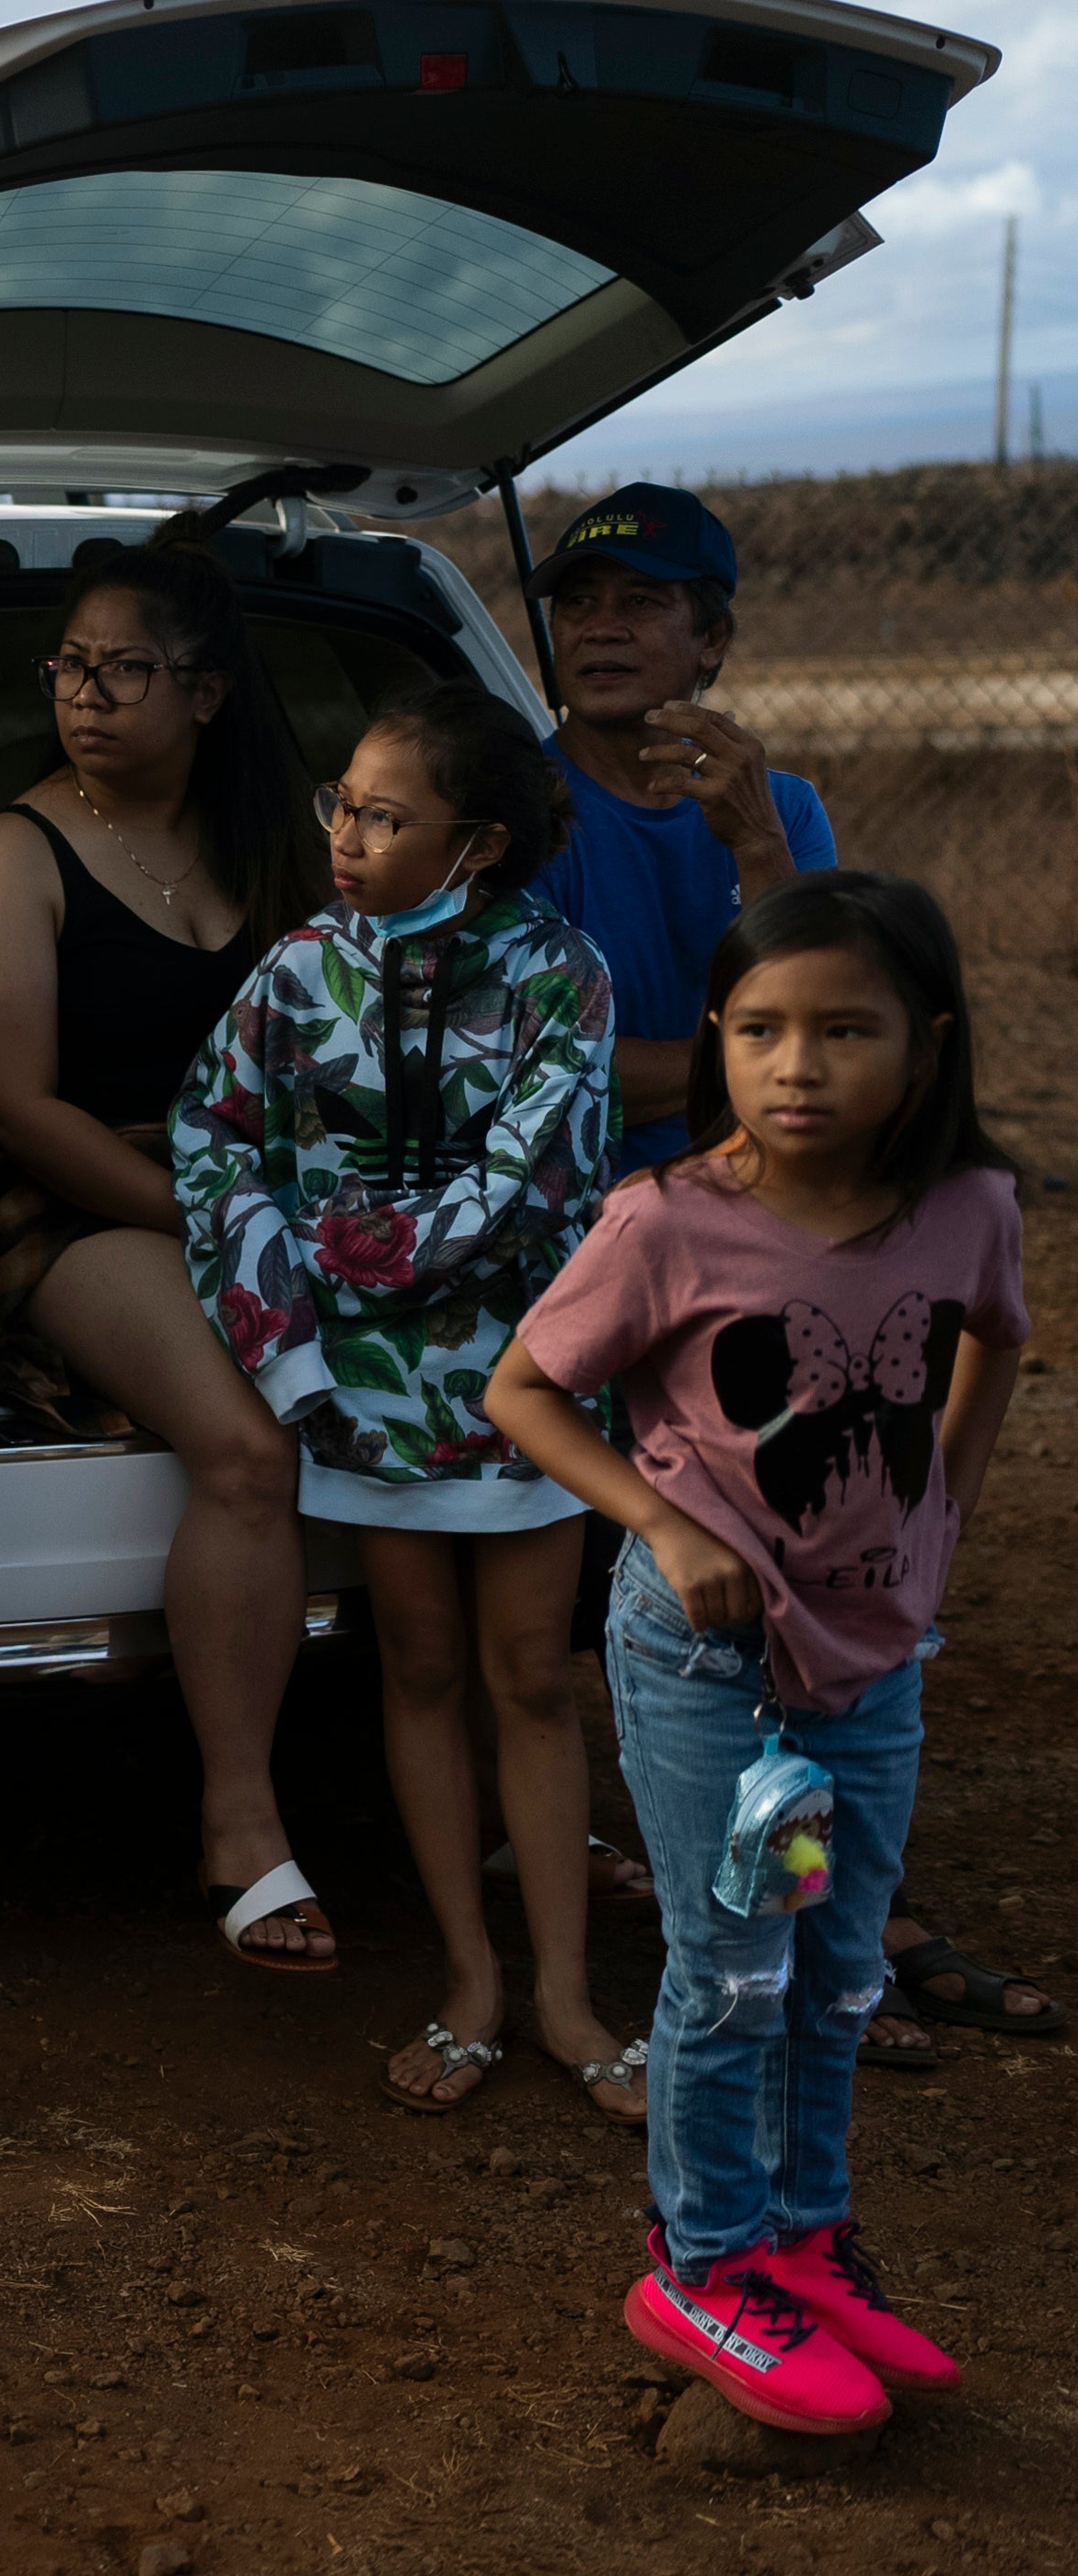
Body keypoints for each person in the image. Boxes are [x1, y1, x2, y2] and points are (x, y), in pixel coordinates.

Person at [489, 872, 1026, 2434]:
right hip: (714, 1673)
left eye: (841, 1030)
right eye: (759, 1028)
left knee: (836, 1966)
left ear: (921, 1048)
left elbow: (993, 1333)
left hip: (867, 1667)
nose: (795, 1065)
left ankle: (798, 2237)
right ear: (716, 1038)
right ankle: (701, 2258)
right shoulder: (665, 1223)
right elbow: (520, 1390)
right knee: (733, 1967)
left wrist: (946, 1517)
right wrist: (660, 1526)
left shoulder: (964, 1206)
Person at [523, 483, 1053, 2062]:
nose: (601, 628)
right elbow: (554, 1062)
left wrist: (753, 844)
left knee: (824, 1573)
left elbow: (827, 991)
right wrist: (748, 1081)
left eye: (644, 603)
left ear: (715, 637)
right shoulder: (526, 814)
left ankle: (838, 1916)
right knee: (686, 1606)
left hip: (790, 1253)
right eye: (577, 604)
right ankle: (728, 1928)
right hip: (615, 1244)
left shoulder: (785, 810)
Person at [173, 682, 637, 2120]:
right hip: (357, 1391)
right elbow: (212, 1138)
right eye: (342, 805)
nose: (347, 836)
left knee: (528, 1679)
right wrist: (292, 1345)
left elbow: (532, 1176)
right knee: (418, 1667)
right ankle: (468, 1977)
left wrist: (341, 1241)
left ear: (476, 843)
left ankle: (562, 1988)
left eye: (384, 816)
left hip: (522, 1383)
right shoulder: (299, 967)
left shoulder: (566, 974)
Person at [0, 535, 335, 1975]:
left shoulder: (279, 839)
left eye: (123, 669)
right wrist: (216, 1220)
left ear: (207, 692)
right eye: (68, 667)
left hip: (267, 1195)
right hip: (70, 1204)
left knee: (445, 1404)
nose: (84, 696)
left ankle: (476, 1774)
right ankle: (240, 1818)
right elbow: (6, 1106)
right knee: (244, 1449)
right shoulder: (12, 855)